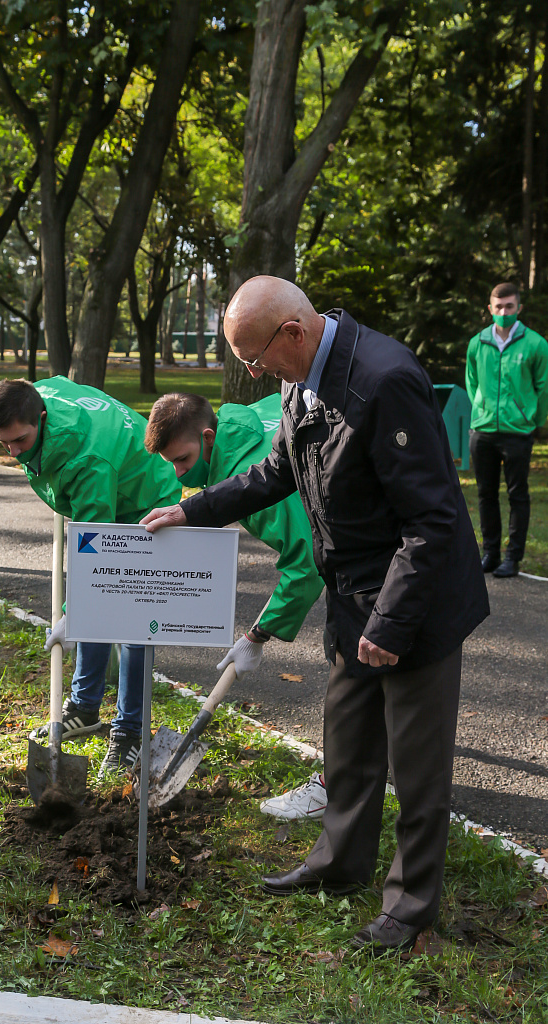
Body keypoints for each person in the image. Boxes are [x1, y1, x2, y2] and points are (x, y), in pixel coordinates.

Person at [142, 276, 489, 952]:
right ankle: (339, 863)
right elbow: (278, 470)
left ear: (292, 333)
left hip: (413, 602)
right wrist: (196, 508)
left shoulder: (383, 382)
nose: (251, 372)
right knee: (349, 742)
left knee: (417, 769)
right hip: (355, 594)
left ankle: (410, 908)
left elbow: (433, 518)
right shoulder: (299, 377)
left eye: (254, 357)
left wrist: (390, 624)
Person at [0, 376, 181, 775]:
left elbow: (97, 552)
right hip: (106, 486)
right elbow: (61, 384)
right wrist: (82, 609)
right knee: (93, 604)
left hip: (146, 500)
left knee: (129, 616)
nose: (13, 451)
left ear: (40, 418)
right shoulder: (35, 396)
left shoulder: (86, 461)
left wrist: (76, 612)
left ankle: (129, 730)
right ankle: (86, 706)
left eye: (20, 441)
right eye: (3, 442)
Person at [145, 390, 327, 819]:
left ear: (208, 437)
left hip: (376, 554)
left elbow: (306, 565)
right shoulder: (245, 417)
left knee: (351, 672)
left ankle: (338, 784)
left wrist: (257, 636)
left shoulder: (256, 482)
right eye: (171, 463)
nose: (179, 472)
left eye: (184, 460)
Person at [465, 282, 548, 578]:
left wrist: (532, 421)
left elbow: (543, 387)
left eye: (509, 306)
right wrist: (480, 412)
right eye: (498, 307)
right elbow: (472, 381)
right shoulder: (477, 343)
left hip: (517, 432)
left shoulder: (536, 344)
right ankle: (490, 553)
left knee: (518, 495)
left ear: (519, 308)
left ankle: (513, 557)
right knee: (486, 494)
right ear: (490, 309)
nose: (503, 312)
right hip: (483, 431)